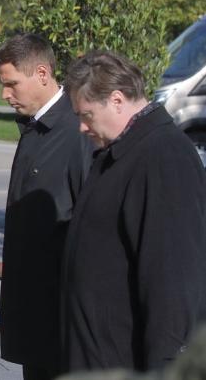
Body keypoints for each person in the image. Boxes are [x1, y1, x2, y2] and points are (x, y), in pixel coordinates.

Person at [61, 50, 206, 373]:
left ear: (116, 100)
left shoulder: (164, 157)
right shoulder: (120, 151)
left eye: (86, 115)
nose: (82, 128)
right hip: (100, 355)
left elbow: (174, 277)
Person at [0, 33, 94, 380]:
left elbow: (91, 223)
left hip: (61, 313)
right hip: (34, 307)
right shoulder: (36, 127)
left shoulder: (78, 131)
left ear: (42, 74)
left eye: (11, 84)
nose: (5, 94)